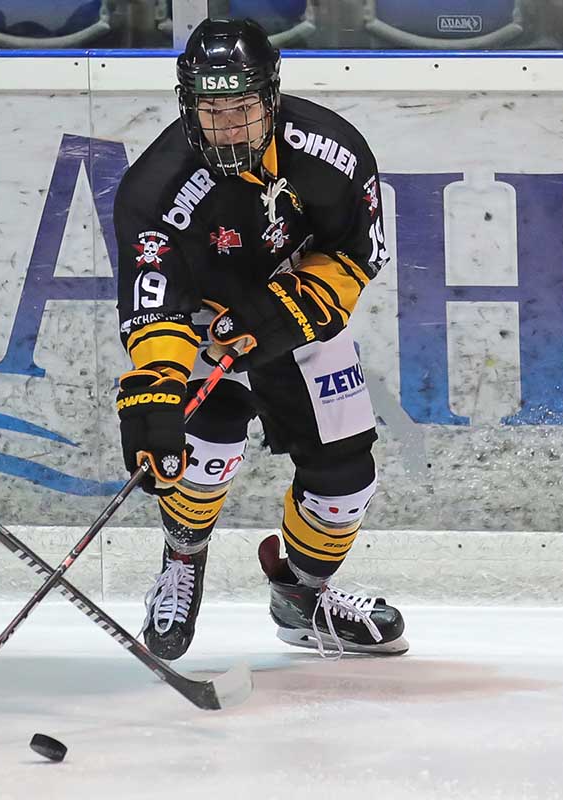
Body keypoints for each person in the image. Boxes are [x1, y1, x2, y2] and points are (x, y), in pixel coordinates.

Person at [112, 17, 407, 660]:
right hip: (201, 331)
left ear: (270, 98)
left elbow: (357, 253)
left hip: (298, 321)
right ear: (189, 106)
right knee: (199, 453)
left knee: (346, 480)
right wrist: (157, 385)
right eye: (211, 110)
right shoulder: (154, 187)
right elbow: (154, 298)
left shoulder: (331, 151)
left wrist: (284, 311)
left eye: (242, 108)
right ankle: (182, 559)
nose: (228, 127)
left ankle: (302, 598)